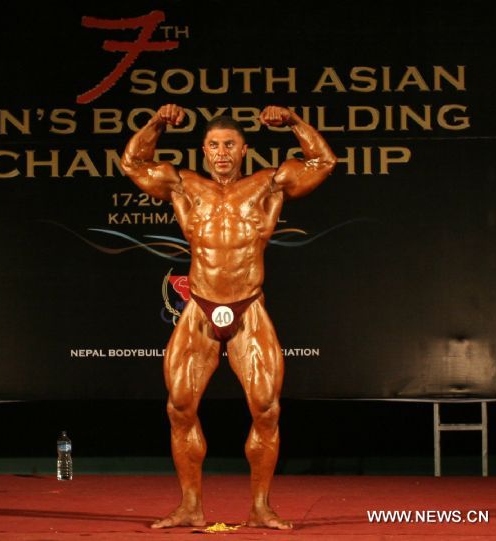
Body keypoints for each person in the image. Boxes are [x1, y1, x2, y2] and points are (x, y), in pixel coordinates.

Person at [120, 104, 336, 529]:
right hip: (199, 307)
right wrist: (157, 123)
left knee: (266, 409)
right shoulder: (184, 187)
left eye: (230, 145)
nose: (222, 152)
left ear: (244, 149)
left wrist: (293, 122)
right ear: (203, 150)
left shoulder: (267, 185)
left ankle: (260, 506)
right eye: (214, 145)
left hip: (248, 307)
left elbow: (323, 162)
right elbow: (132, 162)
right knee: (180, 407)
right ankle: (190, 505)